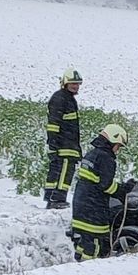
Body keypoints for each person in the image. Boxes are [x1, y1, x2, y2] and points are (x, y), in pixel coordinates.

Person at [70, 124, 134, 261]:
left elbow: (93, 181)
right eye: (118, 146)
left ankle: (78, 265)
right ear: (112, 139)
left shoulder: (91, 154)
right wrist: (123, 190)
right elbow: (106, 185)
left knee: (84, 242)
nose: (118, 150)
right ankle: (88, 271)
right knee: (95, 245)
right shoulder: (106, 158)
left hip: (80, 205)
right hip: (94, 210)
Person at [44, 68, 83, 208]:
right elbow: (54, 123)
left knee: (59, 170)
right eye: (73, 83)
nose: (76, 86)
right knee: (63, 171)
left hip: (69, 145)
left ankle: (52, 197)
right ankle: (57, 199)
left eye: (78, 84)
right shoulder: (60, 98)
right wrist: (53, 143)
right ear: (65, 83)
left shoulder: (69, 99)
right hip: (63, 145)